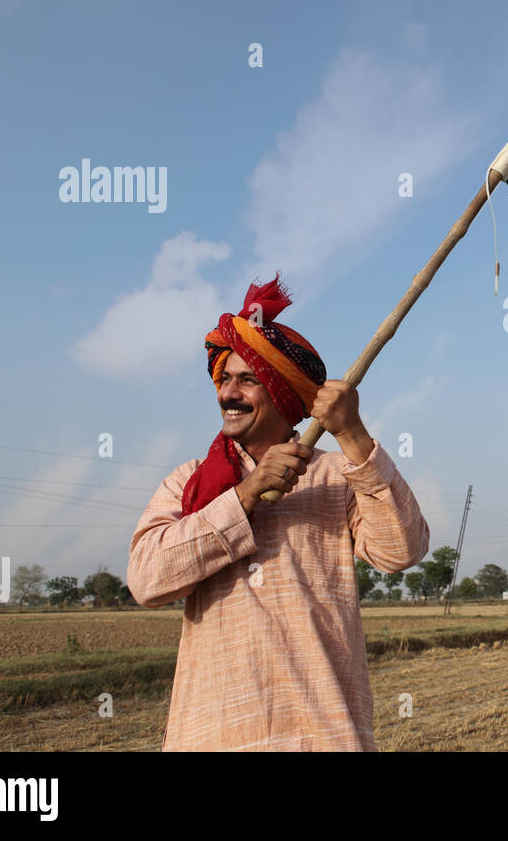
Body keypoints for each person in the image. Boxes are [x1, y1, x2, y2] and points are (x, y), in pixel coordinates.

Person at [127, 274, 429, 750]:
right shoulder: (188, 482)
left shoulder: (335, 475)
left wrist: (352, 435)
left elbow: (402, 550)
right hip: (213, 735)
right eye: (225, 378)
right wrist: (245, 495)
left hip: (322, 733)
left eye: (248, 379)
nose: (228, 393)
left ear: (285, 396)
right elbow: (146, 581)